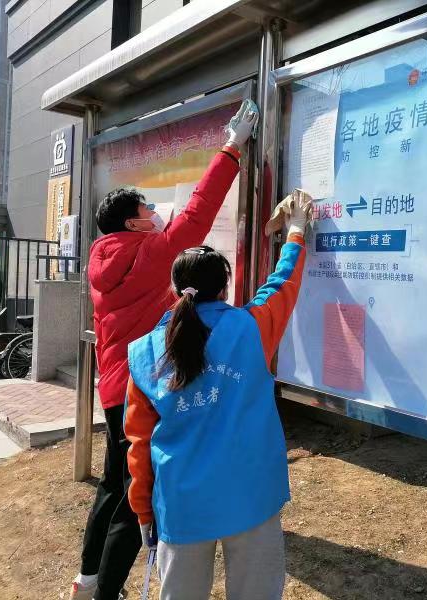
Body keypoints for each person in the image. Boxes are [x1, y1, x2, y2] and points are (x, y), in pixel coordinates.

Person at [69, 101, 259, 600]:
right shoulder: (148, 255)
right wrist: (231, 146)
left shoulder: (102, 259)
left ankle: (86, 580)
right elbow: (197, 216)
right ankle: (104, 591)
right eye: (146, 210)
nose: (154, 213)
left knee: (113, 484)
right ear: (132, 224)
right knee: (135, 498)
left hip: (113, 385)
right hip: (140, 387)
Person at [123, 190, 312, 600]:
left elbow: (138, 442)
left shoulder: (144, 352)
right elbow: (282, 285)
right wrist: (296, 231)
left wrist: (143, 509)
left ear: (175, 290)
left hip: (181, 506)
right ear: (225, 288)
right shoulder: (251, 328)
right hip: (252, 496)